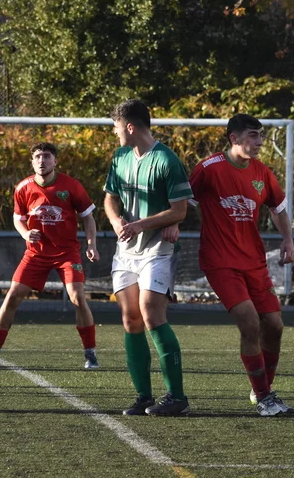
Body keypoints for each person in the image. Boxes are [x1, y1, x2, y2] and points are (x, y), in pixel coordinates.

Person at [188, 114, 294, 417]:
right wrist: (171, 224)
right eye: (253, 135)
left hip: (254, 261)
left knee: (274, 326)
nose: (260, 142)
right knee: (249, 322)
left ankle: (262, 388)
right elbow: (182, 202)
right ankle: (264, 397)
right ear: (234, 138)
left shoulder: (263, 172)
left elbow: (278, 209)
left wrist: (288, 240)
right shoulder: (208, 169)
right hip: (220, 261)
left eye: (261, 135)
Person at [104, 99, 192, 417]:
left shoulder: (166, 160)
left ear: (130, 127)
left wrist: (143, 224)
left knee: (151, 312)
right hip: (126, 251)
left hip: (157, 250)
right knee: (130, 319)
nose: (115, 134)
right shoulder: (120, 157)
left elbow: (180, 210)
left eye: (116, 128)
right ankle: (143, 396)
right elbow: (110, 199)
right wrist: (116, 221)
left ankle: (177, 397)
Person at [0, 142, 99, 371]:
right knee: (12, 297)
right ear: (32, 162)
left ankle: (91, 354)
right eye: (37, 156)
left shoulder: (71, 186)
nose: (42, 160)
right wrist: (26, 233)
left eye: (46, 156)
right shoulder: (23, 187)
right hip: (36, 254)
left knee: (77, 297)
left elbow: (88, 217)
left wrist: (91, 244)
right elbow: (18, 219)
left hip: (66, 253)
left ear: (55, 161)